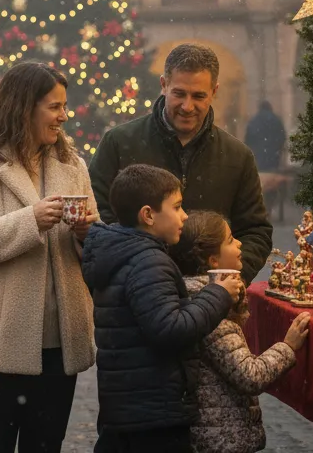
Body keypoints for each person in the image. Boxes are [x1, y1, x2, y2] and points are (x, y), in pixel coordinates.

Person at [0, 61, 98, 453]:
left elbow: (94, 251)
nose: (64, 116)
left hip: (58, 344)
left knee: (46, 446)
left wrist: (88, 235)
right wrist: (30, 221)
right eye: (54, 106)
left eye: (64, 106)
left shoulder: (73, 165)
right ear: (23, 107)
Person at [80, 165, 243, 453]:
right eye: (177, 207)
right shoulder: (148, 262)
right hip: (154, 413)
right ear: (148, 215)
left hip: (127, 407)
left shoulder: (122, 253)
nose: (184, 216)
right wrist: (218, 295)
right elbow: (170, 330)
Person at [89, 43, 273, 282]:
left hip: (214, 301)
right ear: (164, 85)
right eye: (179, 94)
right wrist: (140, 269)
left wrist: (229, 278)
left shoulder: (237, 156)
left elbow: (255, 231)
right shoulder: (118, 143)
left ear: (214, 91)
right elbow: (97, 216)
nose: (187, 107)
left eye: (198, 96)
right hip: (134, 295)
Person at [178, 210, 309, 453]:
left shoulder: (198, 298)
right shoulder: (211, 311)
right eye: (230, 240)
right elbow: (250, 375)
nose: (239, 243)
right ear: (213, 261)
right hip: (220, 437)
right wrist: (288, 346)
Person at [243, 101, 287, 173]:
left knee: (261, 175)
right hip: (273, 154)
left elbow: (248, 139)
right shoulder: (276, 120)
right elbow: (282, 136)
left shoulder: (254, 121)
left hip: (259, 155)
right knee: (272, 174)